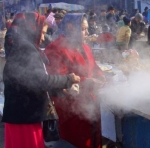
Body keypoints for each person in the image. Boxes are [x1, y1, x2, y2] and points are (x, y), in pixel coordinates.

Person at [2, 12, 80, 148]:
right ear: (32, 29)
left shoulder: (20, 46)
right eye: (42, 32)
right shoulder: (26, 49)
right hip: (25, 118)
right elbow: (41, 81)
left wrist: (61, 90)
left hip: (20, 115)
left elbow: (31, 81)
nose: (43, 37)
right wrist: (68, 79)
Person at [44, 13, 106, 148]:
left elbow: (94, 66)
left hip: (90, 104)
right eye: (83, 29)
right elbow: (58, 78)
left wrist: (100, 75)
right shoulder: (55, 49)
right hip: (70, 109)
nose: (87, 32)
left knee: (93, 139)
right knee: (75, 142)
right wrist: (87, 81)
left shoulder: (85, 47)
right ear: (71, 27)